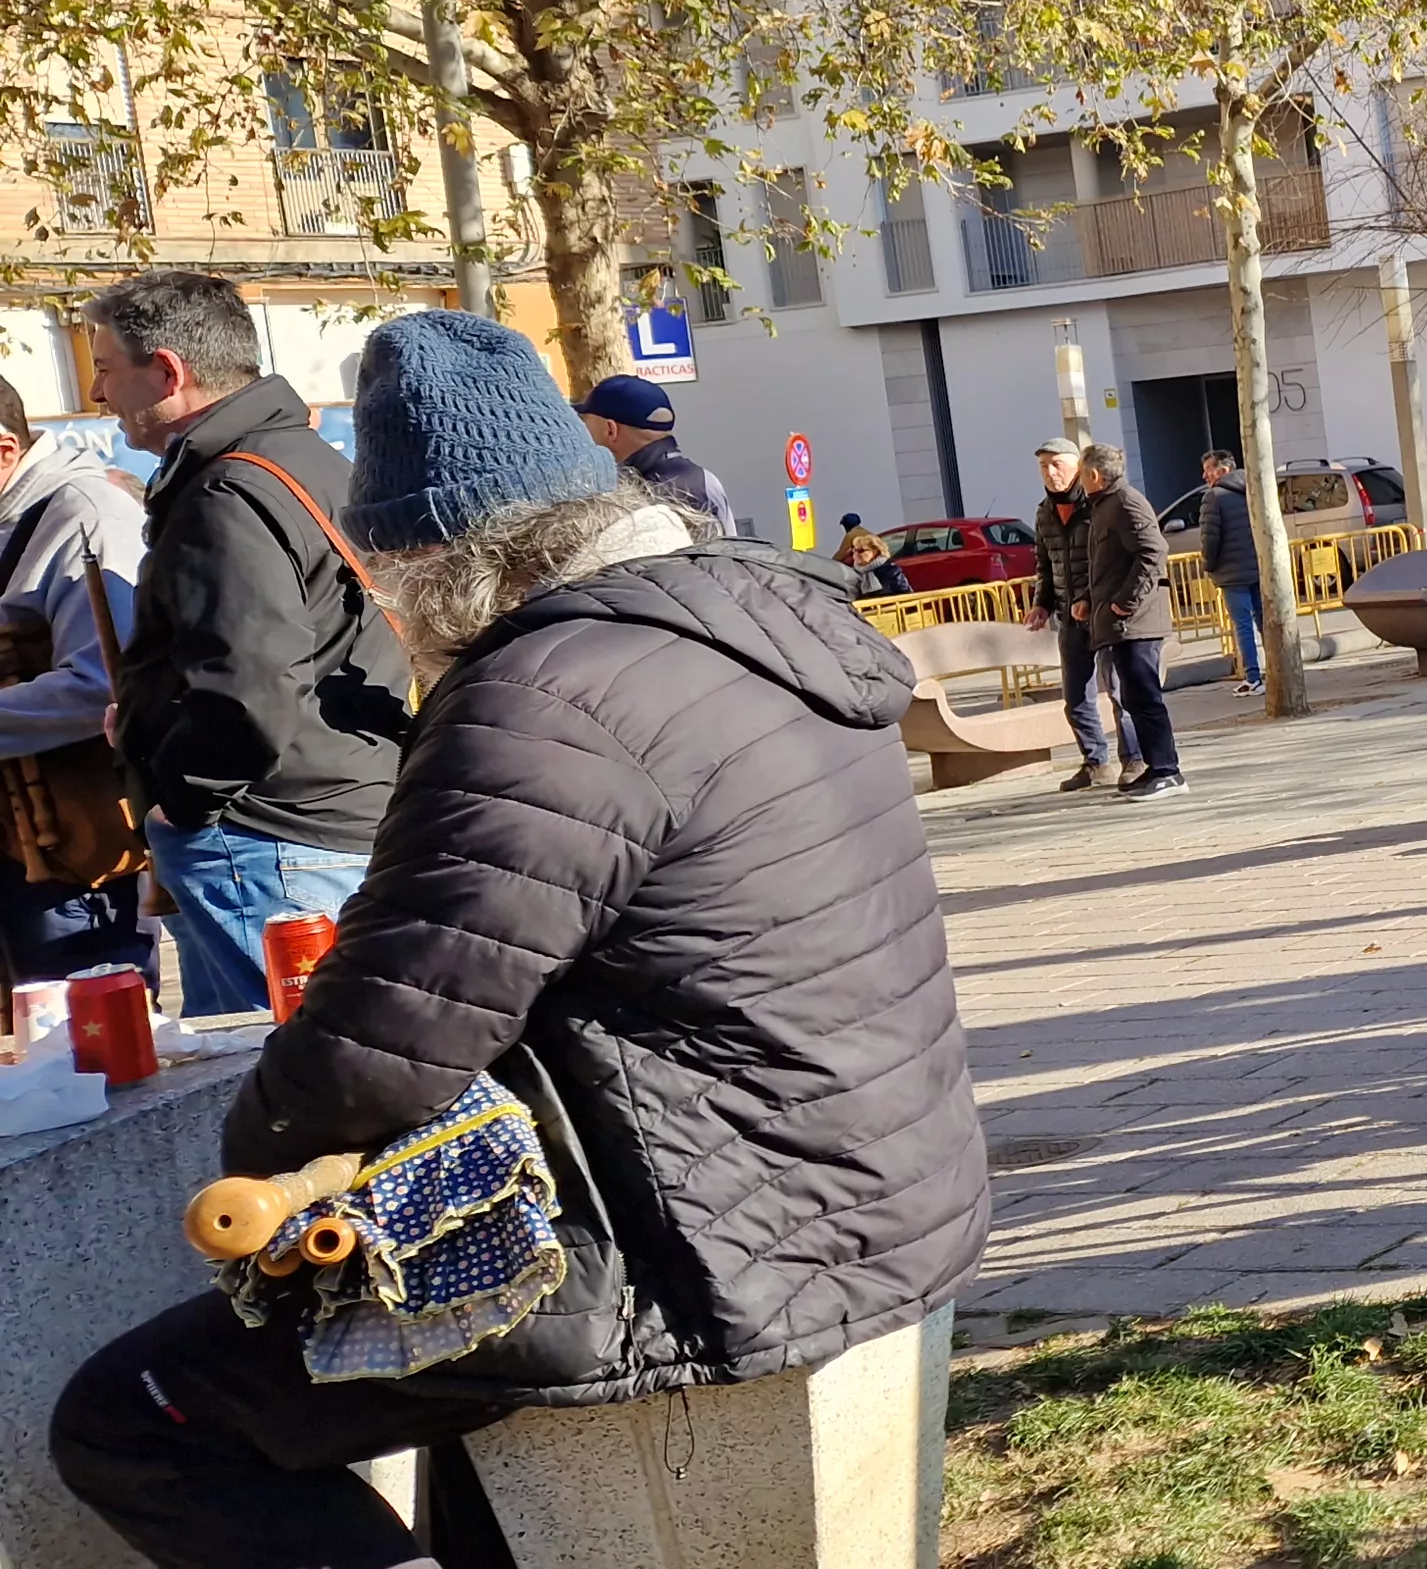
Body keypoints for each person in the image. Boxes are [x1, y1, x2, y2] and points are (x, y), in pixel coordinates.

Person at [52, 308, 985, 1569]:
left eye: (386, 574)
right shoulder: (752, 620)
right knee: (426, 1374)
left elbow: (382, 1044)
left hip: (704, 1258)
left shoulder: (542, 698)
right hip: (873, 1196)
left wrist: (258, 1149)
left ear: (443, 558)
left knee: (132, 1420)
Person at [83, 271, 409, 1017]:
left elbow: (249, 693)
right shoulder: (304, 458)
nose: (98, 394)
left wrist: (181, 801)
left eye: (104, 367)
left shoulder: (226, 491)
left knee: (273, 1088)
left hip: (268, 838)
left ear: (168, 371)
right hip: (318, 819)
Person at [0, 379, 145, 982]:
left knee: (88, 1051)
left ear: (4, 450)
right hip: (18, 842)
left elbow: (108, 684)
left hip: (67, 857)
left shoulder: (86, 514)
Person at [1072, 443, 1182, 800]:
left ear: (1093, 474)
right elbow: (1109, 564)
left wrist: (1124, 604)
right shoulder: (1103, 506)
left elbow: (1154, 551)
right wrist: (1091, 600)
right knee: (1133, 697)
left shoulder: (1125, 502)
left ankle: (1168, 770)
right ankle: (1155, 767)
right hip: (1119, 623)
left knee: (1145, 697)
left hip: (1137, 623)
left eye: (1079, 471)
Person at [1028, 436, 1137, 789]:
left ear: (1079, 466)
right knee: (1075, 696)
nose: (1050, 473)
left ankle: (1134, 759)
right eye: (1043, 466)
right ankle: (1094, 762)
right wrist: (1041, 604)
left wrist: (1092, 598)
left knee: (1121, 691)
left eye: (1057, 464)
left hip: (1104, 611)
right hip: (1067, 613)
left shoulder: (1098, 505)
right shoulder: (1044, 512)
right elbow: (1045, 564)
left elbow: (1113, 562)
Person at [571, 375, 736, 533]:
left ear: (610, 430)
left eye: (585, 420)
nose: (582, 429)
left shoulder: (621, 498)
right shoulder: (705, 481)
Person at [1199, 450, 1266, 695]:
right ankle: (1277, 671)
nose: (1204, 475)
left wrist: (1209, 565)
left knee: (1243, 625)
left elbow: (1210, 539)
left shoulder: (1214, 497)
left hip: (1231, 572)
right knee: (1264, 622)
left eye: (1208, 469)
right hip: (1258, 568)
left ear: (1223, 470)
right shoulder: (1254, 489)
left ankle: (1253, 677)